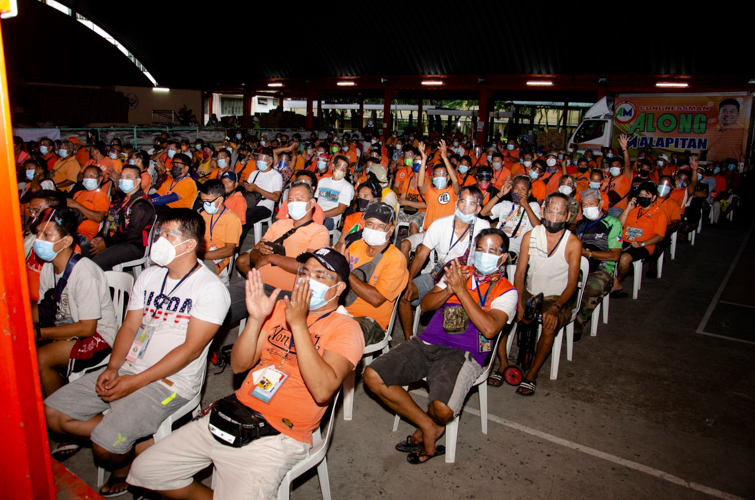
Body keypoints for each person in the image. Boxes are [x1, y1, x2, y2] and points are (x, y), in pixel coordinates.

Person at [127, 249, 363, 499]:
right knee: (145, 471)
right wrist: (255, 319)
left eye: (320, 275)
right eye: (303, 271)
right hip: (237, 410)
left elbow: (322, 390)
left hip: (281, 434)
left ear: (338, 289)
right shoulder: (280, 308)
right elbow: (239, 365)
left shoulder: (346, 328)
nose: (307, 279)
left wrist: (298, 325)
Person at [44, 209, 230, 497]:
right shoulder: (150, 276)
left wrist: (134, 382)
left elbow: (191, 350)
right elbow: (130, 326)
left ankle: (125, 459)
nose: (160, 240)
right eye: (160, 234)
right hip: (129, 369)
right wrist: (113, 368)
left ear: (190, 244)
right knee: (51, 413)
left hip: (170, 383)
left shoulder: (210, 288)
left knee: (105, 445)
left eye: (169, 235)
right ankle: (136, 443)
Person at [365, 229, 517, 463]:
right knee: (373, 375)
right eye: (480, 249)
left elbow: (489, 329)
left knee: (443, 411)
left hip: (464, 354)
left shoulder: (507, 291)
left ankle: (431, 422)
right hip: (427, 343)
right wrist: (448, 288)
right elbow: (425, 306)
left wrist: (461, 291)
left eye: (492, 250)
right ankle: (428, 426)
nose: (484, 254)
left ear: (503, 257)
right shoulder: (458, 274)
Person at [32, 207, 118, 399]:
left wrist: (38, 332)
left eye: (46, 234)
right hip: (68, 326)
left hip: (96, 336)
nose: (39, 239)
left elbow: (87, 328)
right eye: (38, 233)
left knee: (38, 359)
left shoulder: (85, 272)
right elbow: (46, 307)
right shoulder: (49, 267)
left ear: (67, 241)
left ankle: (56, 411)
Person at [507, 193, 582, 396]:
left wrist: (557, 308)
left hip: (557, 297)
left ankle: (532, 373)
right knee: (503, 310)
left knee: (549, 324)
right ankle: (502, 364)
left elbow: (572, 283)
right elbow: (520, 273)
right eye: (550, 211)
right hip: (531, 292)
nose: (554, 217)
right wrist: (518, 302)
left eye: (560, 213)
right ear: (542, 212)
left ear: (567, 217)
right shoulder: (530, 237)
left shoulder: (573, 243)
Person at [228, 182, 331, 324]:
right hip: (257, 285)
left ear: (312, 203)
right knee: (217, 302)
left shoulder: (319, 231)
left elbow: (307, 267)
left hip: (286, 293)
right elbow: (253, 257)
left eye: (299, 199)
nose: (294, 203)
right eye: (291, 200)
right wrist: (261, 253)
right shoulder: (278, 225)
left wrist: (271, 258)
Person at [398, 186, 490, 340]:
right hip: (437, 273)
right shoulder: (440, 224)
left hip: (466, 277)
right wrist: (408, 279)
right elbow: (421, 255)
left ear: (479, 208)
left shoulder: (483, 227)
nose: (466, 207)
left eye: (472, 204)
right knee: (403, 295)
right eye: (463, 201)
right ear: (456, 203)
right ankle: (409, 339)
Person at [344, 203, 408, 345]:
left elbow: (376, 298)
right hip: (341, 310)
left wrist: (346, 272)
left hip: (370, 321)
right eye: (370, 224)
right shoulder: (356, 245)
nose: (374, 230)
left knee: (341, 336)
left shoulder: (395, 259)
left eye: (380, 226)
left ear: (391, 230)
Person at [572, 189, 622, 340]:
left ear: (600, 204)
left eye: (591, 204)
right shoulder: (580, 225)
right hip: (579, 265)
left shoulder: (612, 223)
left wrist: (589, 254)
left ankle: (577, 324)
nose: (588, 208)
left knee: (593, 288)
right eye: (585, 205)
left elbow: (615, 254)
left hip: (601, 267)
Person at [91, 164, 156, 272]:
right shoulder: (122, 200)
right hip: (114, 240)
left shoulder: (142, 204)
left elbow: (131, 233)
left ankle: (107, 288)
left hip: (132, 245)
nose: (123, 180)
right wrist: (101, 237)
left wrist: (107, 244)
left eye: (128, 177)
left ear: (138, 181)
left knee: (97, 261)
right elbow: (110, 221)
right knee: (84, 254)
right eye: (121, 177)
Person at [610, 182, 668, 298]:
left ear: (654, 197)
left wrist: (642, 243)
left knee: (624, 258)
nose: (643, 198)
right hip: (624, 240)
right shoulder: (634, 210)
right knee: (605, 249)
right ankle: (608, 280)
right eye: (641, 195)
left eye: (647, 196)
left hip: (644, 244)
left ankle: (616, 283)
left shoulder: (659, 213)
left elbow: (660, 236)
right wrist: (628, 209)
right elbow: (618, 224)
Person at [480, 175, 541, 260]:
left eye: (523, 189)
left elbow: (538, 226)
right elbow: (483, 212)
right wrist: (500, 194)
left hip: (516, 249)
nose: (519, 191)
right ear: (511, 189)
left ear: (529, 192)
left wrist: (526, 206)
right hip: (498, 244)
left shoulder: (533, 206)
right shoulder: (505, 204)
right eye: (516, 188)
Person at [199, 180, 242, 277]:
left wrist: (199, 255)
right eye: (203, 201)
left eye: (208, 201)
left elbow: (228, 250)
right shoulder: (203, 214)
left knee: (198, 273)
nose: (205, 204)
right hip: (200, 253)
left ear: (220, 199)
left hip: (217, 259)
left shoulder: (232, 218)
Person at [417, 140, 461, 231]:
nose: (439, 178)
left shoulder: (453, 192)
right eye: (436, 175)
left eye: (442, 175)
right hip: (430, 230)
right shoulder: (430, 191)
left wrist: (445, 157)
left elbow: (456, 181)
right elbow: (420, 184)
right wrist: (424, 160)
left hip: (447, 231)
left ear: (448, 177)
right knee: (405, 244)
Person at [240, 147, 283, 239]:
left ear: (270, 162)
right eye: (258, 158)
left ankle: (235, 248)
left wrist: (257, 189)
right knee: (234, 215)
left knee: (245, 219)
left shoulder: (275, 176)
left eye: (262, 159)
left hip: (265, 207)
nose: (259, 161)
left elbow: (276, 197)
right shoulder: (254, 173)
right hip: (250, 203)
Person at [66, 166, 110, 246]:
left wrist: (77, 205)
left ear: (100, 179)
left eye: (91, 176)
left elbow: (99, 217)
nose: (88, 178)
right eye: (86, 176)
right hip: (71, 230)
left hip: (84, 235)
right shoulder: (78, 194)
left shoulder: (101, 195)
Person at [315, 155, 355, 230]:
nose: (342, 170)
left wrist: (320, 214)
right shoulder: (323, 181)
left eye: (344, 168)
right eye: (339, 167)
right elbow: (316, 200)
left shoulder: (347, 187)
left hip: (330, 219)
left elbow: (341, 209)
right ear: (333, 166)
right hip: (317, 214)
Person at [601, 134, 633, 217]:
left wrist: (624, 149)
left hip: (618, 211)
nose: (614, 167)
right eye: (612, 166)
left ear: (622, 167)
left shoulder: (626, 178)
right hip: (604, 209)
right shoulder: (606, 180)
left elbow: (628, 165)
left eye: (617, 165)